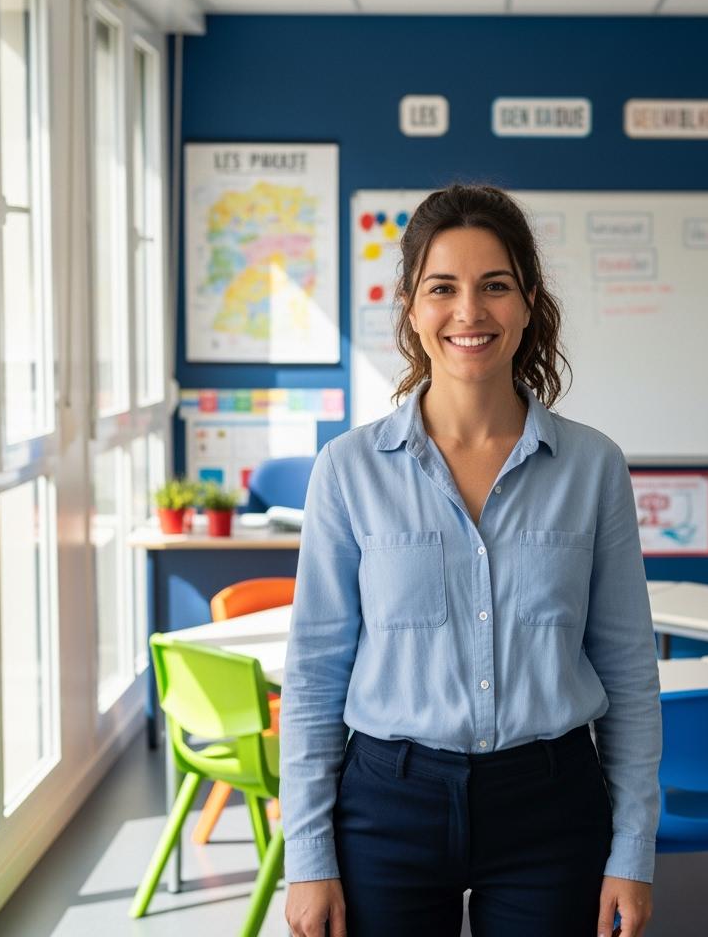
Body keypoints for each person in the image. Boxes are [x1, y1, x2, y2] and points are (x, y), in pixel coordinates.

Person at [281, 184, 661, 937]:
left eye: (495, 286)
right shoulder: (348, 469)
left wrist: (634, 851)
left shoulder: (593, 467)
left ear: (527, 303)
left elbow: (627, 670)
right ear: (412, 309)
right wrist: (309, 857)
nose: (469, 312)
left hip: (552, 807)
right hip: (388, 805)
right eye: (442, 288)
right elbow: (315, 674)